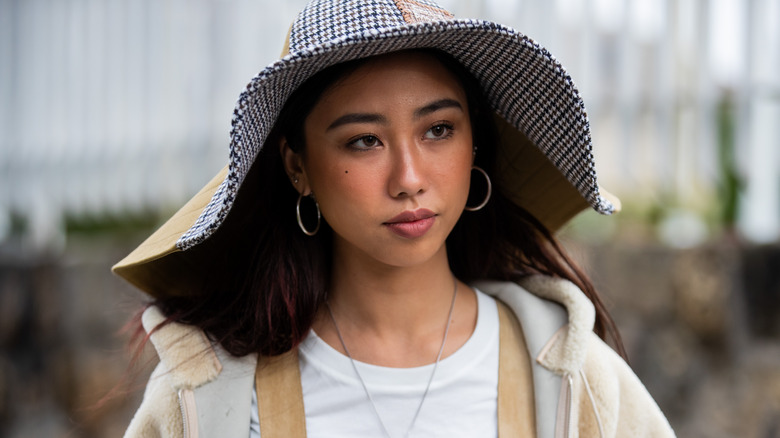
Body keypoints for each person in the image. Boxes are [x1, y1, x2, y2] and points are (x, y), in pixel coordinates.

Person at [114, 0, 675, 436]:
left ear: (475, 143)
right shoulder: (207, 397)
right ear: (297, 166)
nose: (409, 177)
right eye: (364, 141)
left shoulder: (572, 378)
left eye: (438, 130)